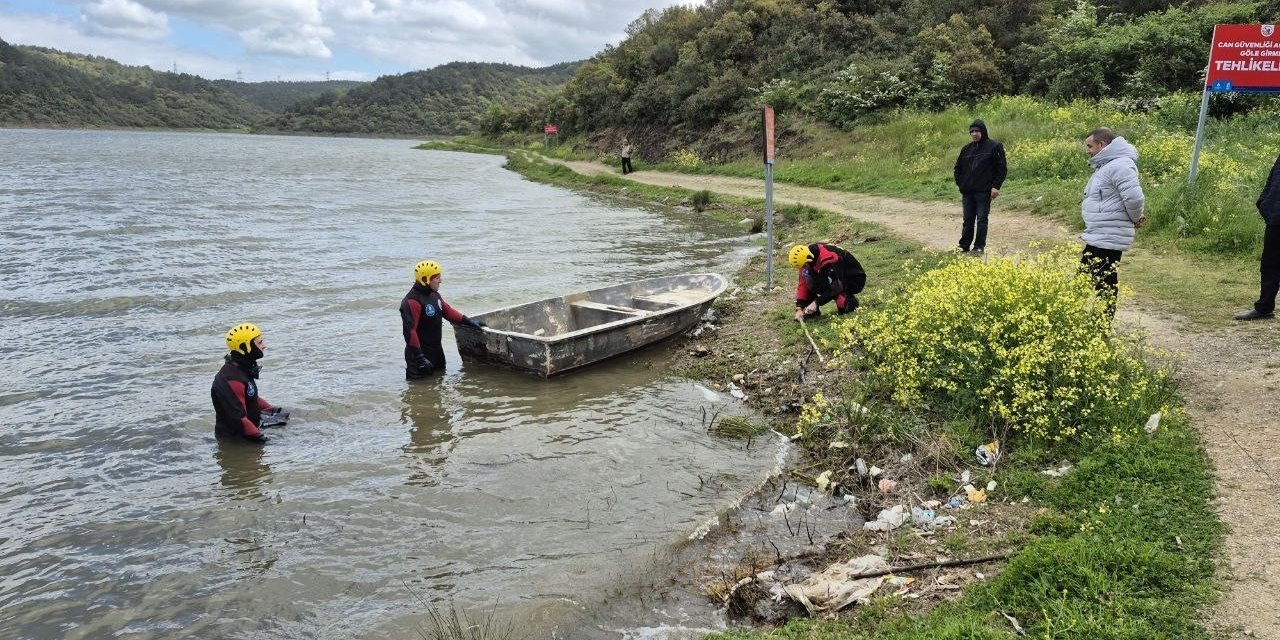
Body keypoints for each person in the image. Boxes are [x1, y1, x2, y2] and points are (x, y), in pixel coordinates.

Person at [1079, 127, 1145, 319]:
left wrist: (1136, 218)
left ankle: (1102, 324)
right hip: (1100, 232)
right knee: (1085, 277)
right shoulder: (1108, 165)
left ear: (1102, 145)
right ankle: (1078, 320)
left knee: (1104, 281)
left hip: (1110, 233)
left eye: (1090, 146)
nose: (1088, 150)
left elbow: (1134, 198)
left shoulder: (1121, 165)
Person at [400, 260, 485, 379]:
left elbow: (448, 312)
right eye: (437, 278)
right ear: (425, 279)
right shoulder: (412, 301)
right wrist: (420, 358)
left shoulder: (434, 295)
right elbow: (410, 332)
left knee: (439, 386)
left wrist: (468, 321)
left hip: (437, 354)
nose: (440, 281)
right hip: (419, 359)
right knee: (420, 389)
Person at [212, 323, 286, 443]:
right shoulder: (232, 379)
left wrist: (274, 412)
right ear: (245, 347)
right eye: (260, 342)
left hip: (250, 431)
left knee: (287, 418)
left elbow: (251, 397)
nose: (264, 346)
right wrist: (266, 440)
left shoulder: (241, 368)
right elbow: (239, 419)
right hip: (236, 441)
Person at [1236, 152, 1280, 320]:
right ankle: (1264, 308)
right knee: (1269, 264)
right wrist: (1262, 202)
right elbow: (1272, 178)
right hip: (1275, 217)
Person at [954, 119, 1007, 254]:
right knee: (968, 220)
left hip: (984, 191)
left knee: (982, 220)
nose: (974, 133)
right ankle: (964, 245)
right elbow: (957, 168)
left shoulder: (994, 146)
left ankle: (978, 247)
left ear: (983, 131)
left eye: (977, 131)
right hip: (968, 191)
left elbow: (1001, 168)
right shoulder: (966, 149)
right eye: (971, 131)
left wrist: (996, 186)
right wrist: (961, 183)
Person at [788, 243, 866, 321]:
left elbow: (837, 285)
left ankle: (849, 300)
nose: (804, 268)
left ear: (809, 259)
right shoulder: (806, 258)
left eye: (804, 265)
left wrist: (816, 302)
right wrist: (799, 308)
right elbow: (803, 283)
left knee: (842, 302)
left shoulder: (829, 258)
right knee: (809, 280)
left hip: (853, 279)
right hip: (836, 278)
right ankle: (812, 311)